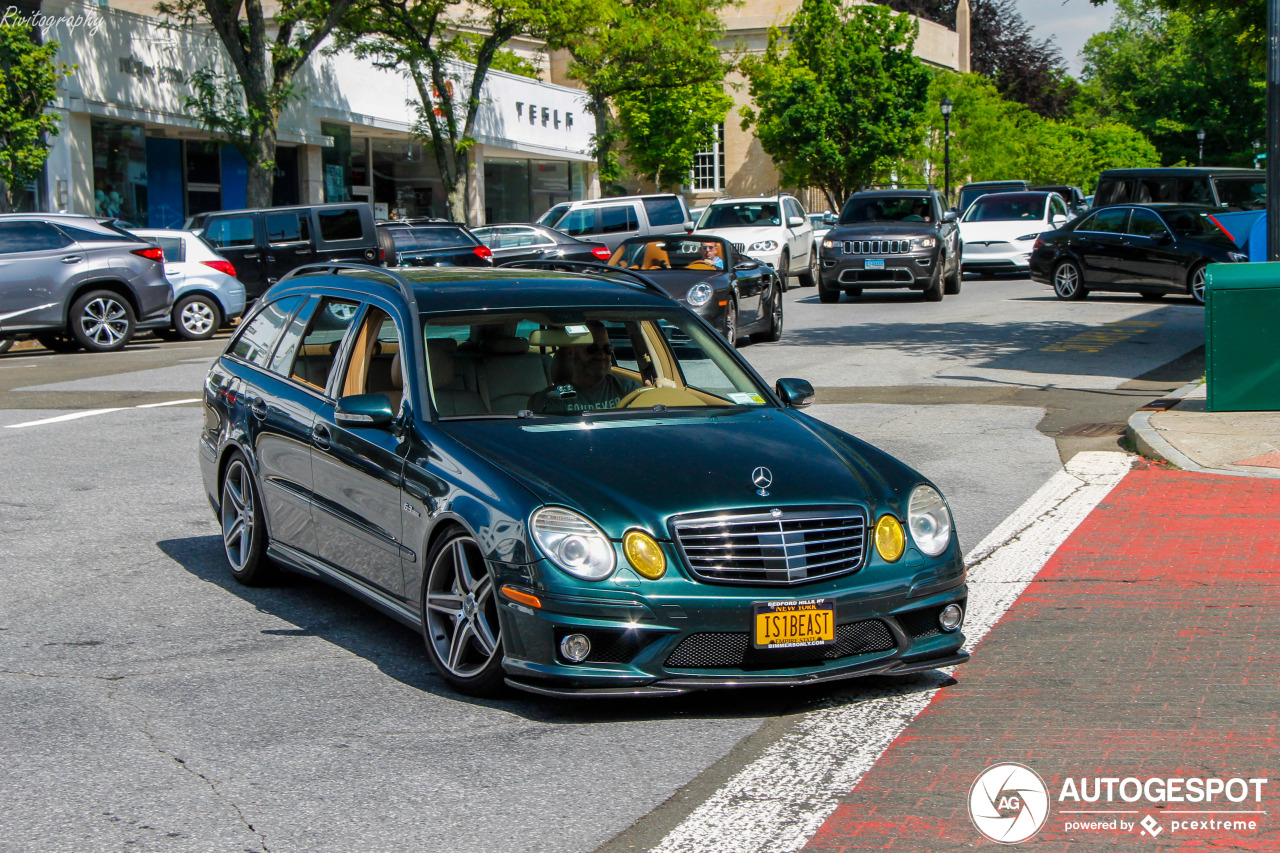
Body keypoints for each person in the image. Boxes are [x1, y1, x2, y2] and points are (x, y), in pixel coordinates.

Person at [528, 322, 642, 414]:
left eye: (607, 349)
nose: (601, 356)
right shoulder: (552, 400)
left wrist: (659, 388)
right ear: (571, 353)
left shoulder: (628, 389)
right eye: (592, 349)